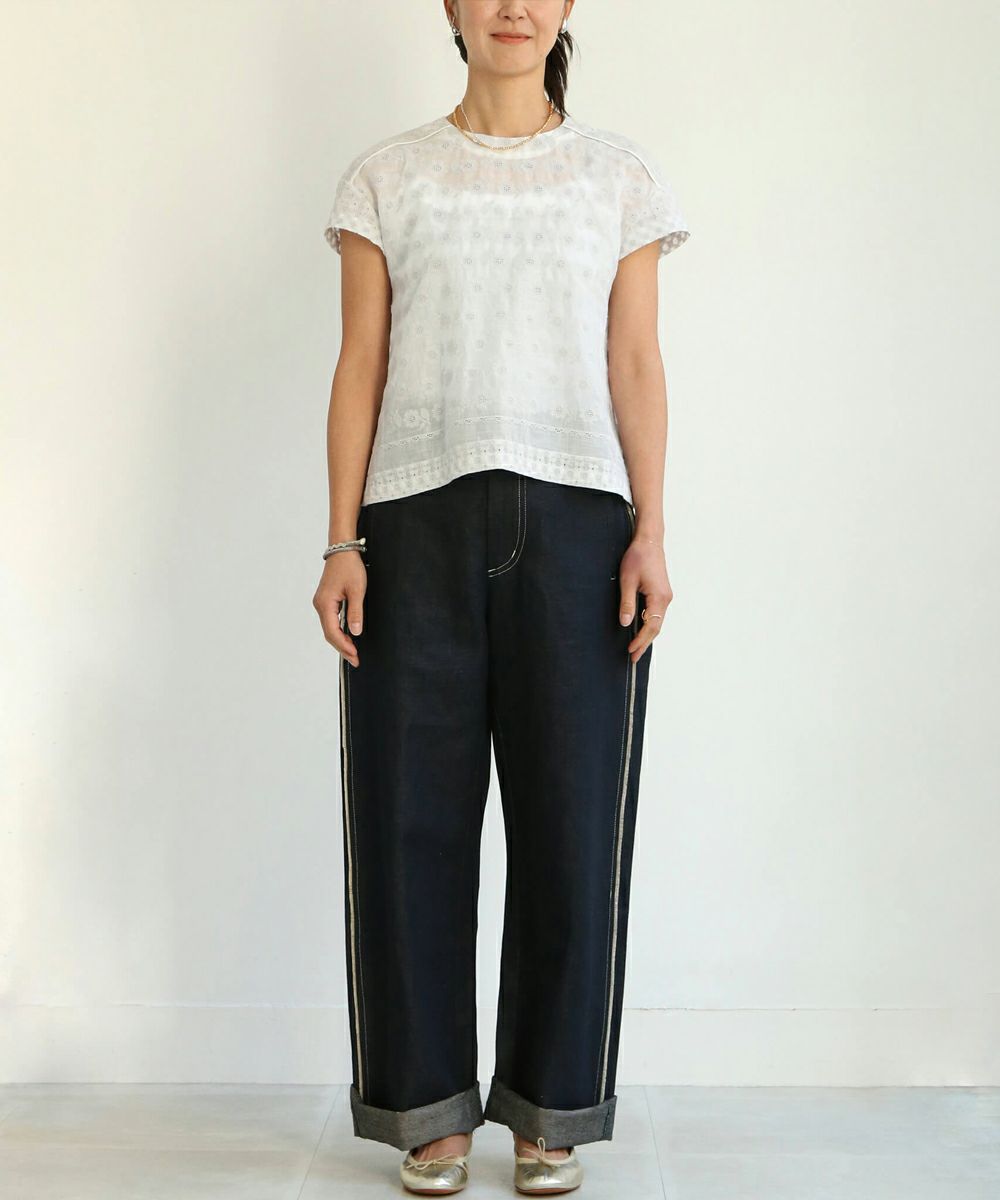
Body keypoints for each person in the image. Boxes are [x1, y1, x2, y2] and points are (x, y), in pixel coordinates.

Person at [313, 2, 690, 1193]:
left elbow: (634, 360)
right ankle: (425, 1107)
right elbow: (361, 364)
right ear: (450, 8)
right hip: (411, 525)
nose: (512, 7)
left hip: (579, 530)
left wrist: (650, 530)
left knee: (572, 825)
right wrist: (341, 541)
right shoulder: (387, 178)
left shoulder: (617, 177)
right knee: (405, 821)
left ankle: (550, 1108)